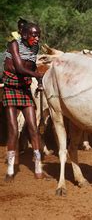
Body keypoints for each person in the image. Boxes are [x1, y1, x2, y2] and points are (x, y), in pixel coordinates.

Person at [2, 22, 45, 181]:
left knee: (33, 128)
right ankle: (11, 169)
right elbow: (19, 68)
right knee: (13, 130)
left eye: (38, 34)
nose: (37, 38)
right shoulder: (14, 44)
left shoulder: (35, 47)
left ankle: (38, 166)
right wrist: (37, 75)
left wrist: (36, 77)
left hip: (24, 88)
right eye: (34, 35)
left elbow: (31, 65)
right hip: (11, 88)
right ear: (25, 35)